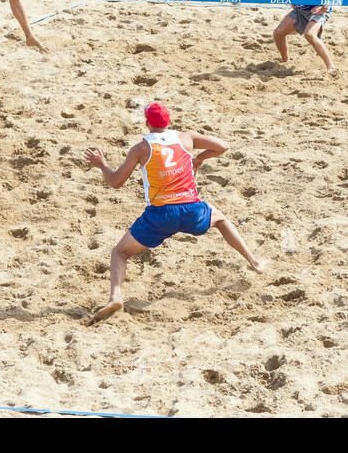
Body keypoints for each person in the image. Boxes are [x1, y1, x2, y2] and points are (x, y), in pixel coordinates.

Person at [84, 102, 264, 325]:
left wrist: (101, 165)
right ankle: (254, 261)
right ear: (169, 121)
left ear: (147, 123)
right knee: (221, 220)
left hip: (160, 215)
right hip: (191, 209)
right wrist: (200, 159)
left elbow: (116, 182)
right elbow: (222, 147)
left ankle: (116, 297)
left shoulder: (141, 148)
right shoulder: (185, 138)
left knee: (120, 253)